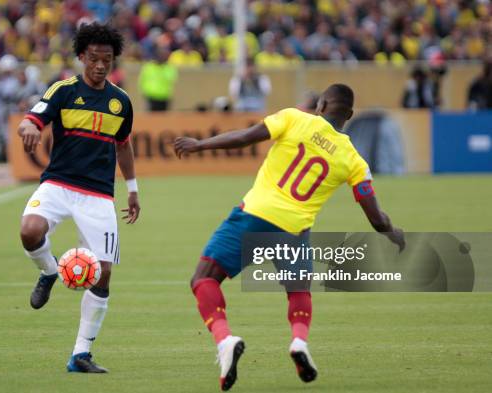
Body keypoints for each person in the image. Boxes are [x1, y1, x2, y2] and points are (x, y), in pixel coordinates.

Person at [173, 84, 405, 391]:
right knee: (298, 291)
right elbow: (376, 217)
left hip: (254, 216)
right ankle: (299, 342)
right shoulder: (354, 161)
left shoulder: (294, 118)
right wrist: (393, 232)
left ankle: (225, 340)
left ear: (320, 105)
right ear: (348, 115)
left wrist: (200, 145)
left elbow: (244, 138)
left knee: (203, 278)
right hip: (294, 230)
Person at [17, 22, 140, 373]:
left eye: (107, 59)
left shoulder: (121, 102)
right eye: (94, 58)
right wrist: (27, 128)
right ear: (82, 57)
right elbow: (33, 120)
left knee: (102, 274)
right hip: (58, 184)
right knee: (29, 230)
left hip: (98, 195)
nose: (101, 65)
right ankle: (48, 272)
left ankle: (81, 355)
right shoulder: (63, 91)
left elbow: (124, 145)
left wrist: (133, 189)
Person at [138, 46, 178, 111]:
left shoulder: (170, 68)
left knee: (163, 119)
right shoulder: (148, 67)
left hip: (164, 97)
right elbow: (142, 80)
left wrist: (162, 68)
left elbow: (172, 79)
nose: (161, 57)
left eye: (164, 55)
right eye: (160, 55)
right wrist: (144, 92)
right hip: (151, 97)